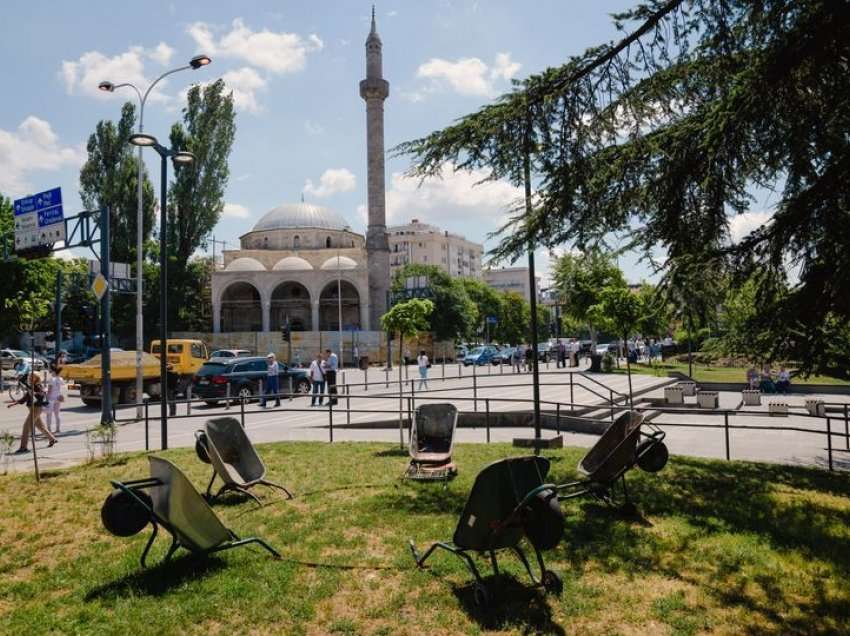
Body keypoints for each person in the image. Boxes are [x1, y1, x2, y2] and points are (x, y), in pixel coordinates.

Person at [8, 373, 56, 453]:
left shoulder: (37, 385)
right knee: (40, 426)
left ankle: (23, 447)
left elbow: (42, 394)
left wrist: (36, 393)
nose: (30, 378)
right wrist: (15, 403)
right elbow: (26, 396)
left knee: (26, 426)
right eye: (30, 377)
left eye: (32, 377)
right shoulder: (31, 386)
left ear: (36, 378)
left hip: (36, 409)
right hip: (32, 409)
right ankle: (52, 439)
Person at [45, 365, 65, 434]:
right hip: (58, 398)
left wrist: (46, 397)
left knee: (49, 414)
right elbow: (61, 387)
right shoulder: (60, 379)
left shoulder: (51, 379)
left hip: (51, 398)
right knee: (57, 414)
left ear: (54, 372)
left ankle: (49, 429)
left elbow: (49, 390)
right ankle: (58, 429)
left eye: (51, 371)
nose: (51, 373)